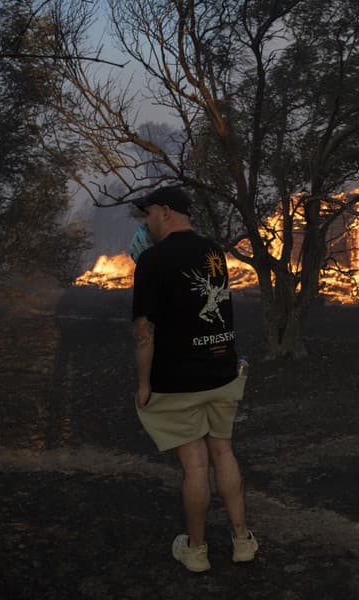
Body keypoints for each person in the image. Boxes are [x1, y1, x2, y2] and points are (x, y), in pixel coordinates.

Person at [130, 185, 258, 573]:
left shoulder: (151, 261)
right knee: (224, 453)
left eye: (147, 213)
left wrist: (143, 382)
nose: (145, 220)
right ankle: (242, 542)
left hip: (178, 381)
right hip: (221, 371)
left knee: (196, 467)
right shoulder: (213, 251)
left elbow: (143, 330)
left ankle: (197, 550)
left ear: (165, 211)